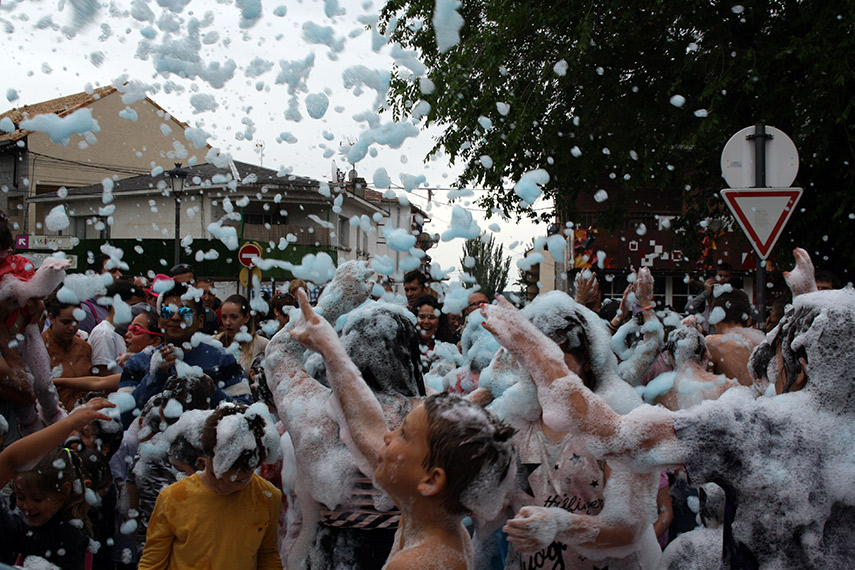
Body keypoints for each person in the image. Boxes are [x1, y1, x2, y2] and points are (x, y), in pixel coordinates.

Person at [481, 248, 855, 569]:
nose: (768, 362)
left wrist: (539, 356)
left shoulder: (754, 427)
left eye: (779, 351)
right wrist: (812, 317)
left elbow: (621, 439)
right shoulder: (812, 428)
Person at [286, 289, 518, 570]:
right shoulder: (424, 511)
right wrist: (329, 348)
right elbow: (365, 425)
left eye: (403, 433)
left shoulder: (418, 562)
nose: (386, 434)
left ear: (431, 479)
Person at [138, 402, 283, 570]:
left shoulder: (267, 497)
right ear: (206, 454)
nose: (225, 486)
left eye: (239, 481)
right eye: (216, 475)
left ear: (255, 466)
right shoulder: (173, 498)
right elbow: (152, 563)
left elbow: (267, 555)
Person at [117, 282, 251, 427]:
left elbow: (246, 414)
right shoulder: (138, 362)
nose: (175, 317)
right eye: (167, 311)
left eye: (185, 311)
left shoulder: (223, 359)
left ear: (200, 321)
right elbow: (121, 419)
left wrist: (209, 390)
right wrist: (155, 376)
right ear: (160, 321)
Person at [2, 446, 96, 569]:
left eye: (37, 499)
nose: (27, 506)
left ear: (63, 491)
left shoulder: (69, 533)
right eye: (21, 497)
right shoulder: (29, 524)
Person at [42, 292, 93, 411]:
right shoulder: (40, 349)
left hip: (85, 419)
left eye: (76, 322)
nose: (72, 327)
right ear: (51, 318)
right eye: (65, 322)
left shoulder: (84, 347)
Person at [704, 289, 765, 388]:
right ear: (749, 320)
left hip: (728, 401)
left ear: (715, 319)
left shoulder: (713, 343)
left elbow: (697, 384)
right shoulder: (761, 344)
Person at [89, 280, 145, 376]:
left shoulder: (125, 332)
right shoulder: (104, 333)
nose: (137, 311)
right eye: (133, 306)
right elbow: (103, 379)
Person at [215, 293, 269, 376]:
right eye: (224, 317)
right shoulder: (214, 342)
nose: (227, 322)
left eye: (234, 317)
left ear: (246, 317)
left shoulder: (262, 344)